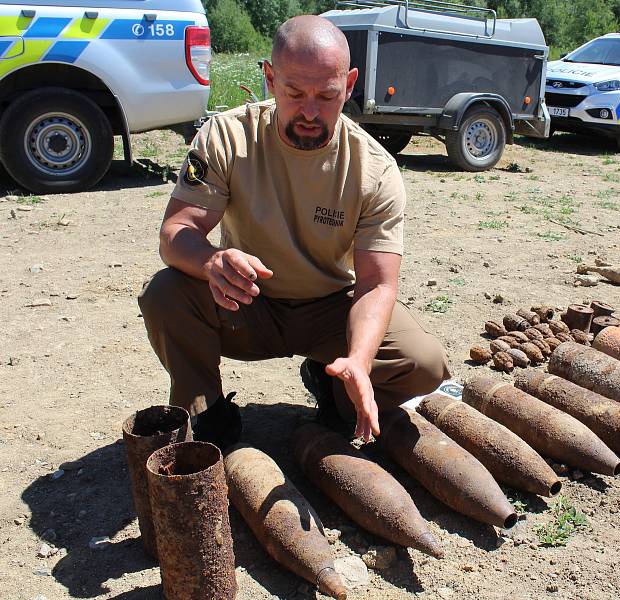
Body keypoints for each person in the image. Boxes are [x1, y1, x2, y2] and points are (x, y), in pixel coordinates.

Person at [137, 15, 450, 450]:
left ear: (350, 83)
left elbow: (377, 284)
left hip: (328, 311)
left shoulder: (374, 169)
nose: (309, 111)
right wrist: (211, 262)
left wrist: (359, 361)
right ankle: (205, 412)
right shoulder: (227, 137)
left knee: (423, 363)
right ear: (269, 77)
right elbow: (176, 232)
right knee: (166, 292)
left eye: (327, 95)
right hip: (245, 303)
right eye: (294, 93)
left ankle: (335, 386)